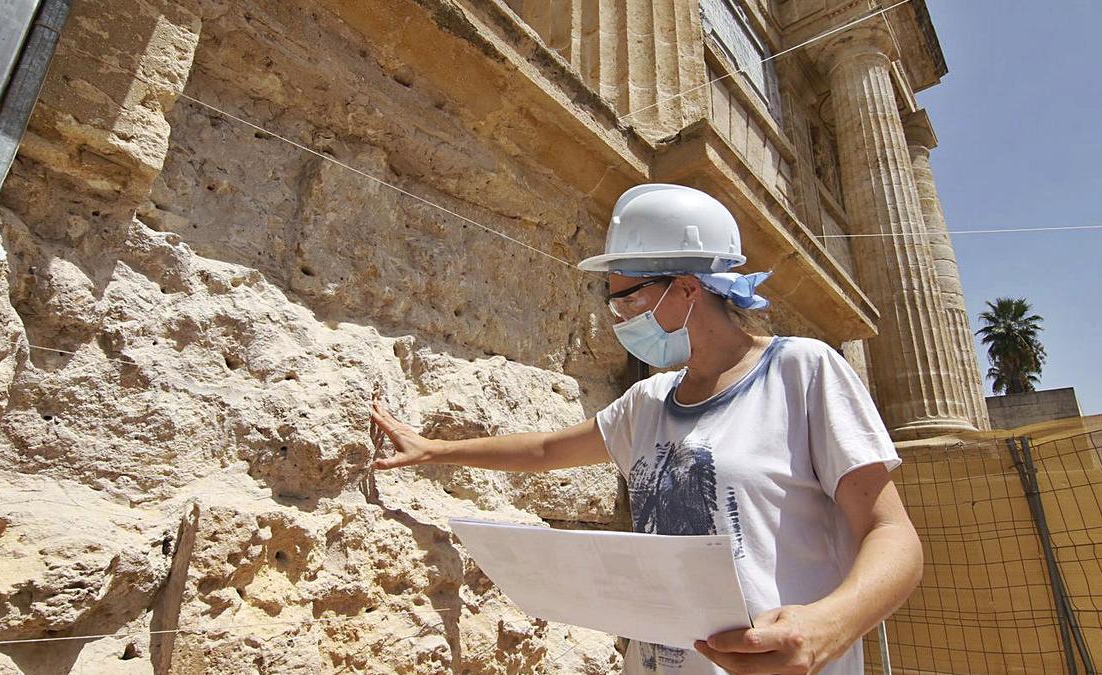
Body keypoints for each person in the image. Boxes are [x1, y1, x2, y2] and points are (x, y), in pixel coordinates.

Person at [370, 184, 923, 674]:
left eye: (628, 297)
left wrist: (830, 626)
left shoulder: (802, 370)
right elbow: (542, 450)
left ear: (686, 288)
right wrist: (435, 449)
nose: (619, 317)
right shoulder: (649, 401)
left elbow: (893, 536)